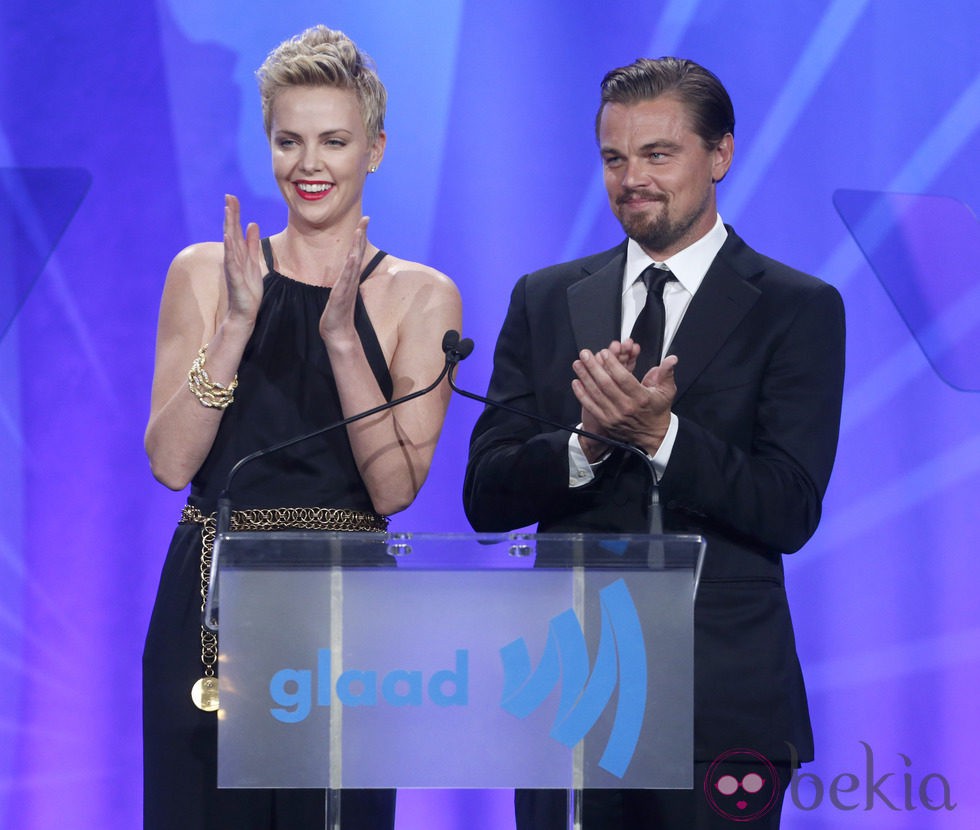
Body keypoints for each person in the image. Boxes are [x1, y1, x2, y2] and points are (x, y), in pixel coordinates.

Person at [464, 57, 845, 829]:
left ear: (721, 155)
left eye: (657, 154)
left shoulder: (797, 309)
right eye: (614, 157)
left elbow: (789, 507)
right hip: (570, 700)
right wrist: (589, 443)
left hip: (719, 707)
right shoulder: (545, 299)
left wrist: (661, 434)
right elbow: (486, 494)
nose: (630, 178)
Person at [143, 25, 461, 830]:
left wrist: (345, 340)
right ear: (268, 145)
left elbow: (394, 489)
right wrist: (235, 328)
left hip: (346, 612)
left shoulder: (422, 296)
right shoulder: (205, 274)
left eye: (333, 141)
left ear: (376, 149)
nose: (308, 164)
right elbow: (171, 463)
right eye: (289, 141)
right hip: (212, 605)